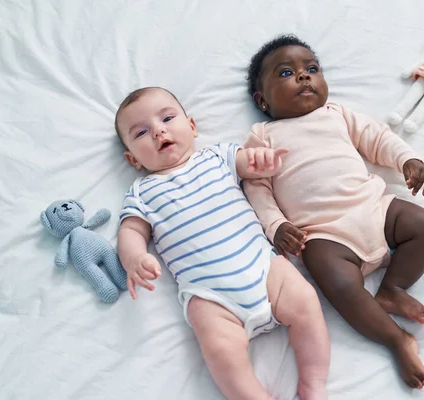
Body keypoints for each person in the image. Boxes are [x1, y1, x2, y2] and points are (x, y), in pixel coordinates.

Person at [243, 35, 424, 389]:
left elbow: (377, 138)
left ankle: (393, 288)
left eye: (312, 69)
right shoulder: (262, 135)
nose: (304, 77)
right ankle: (397, 339)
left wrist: (408, 159)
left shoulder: (336, 114)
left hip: (374, 207)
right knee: (334, 281)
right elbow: (256, 188)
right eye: (286, 72)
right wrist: (276, 226)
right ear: (262, 100)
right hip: (324, 233)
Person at [115, 86, 330, 400]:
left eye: (167, 118)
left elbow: (249, 163)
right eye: (142, 132)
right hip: (211, 296)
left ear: (191, 126)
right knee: (219, 350)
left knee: (307, 302)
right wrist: (134, 258)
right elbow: (131, 232)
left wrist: (261, 159)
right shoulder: (141, 193)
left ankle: (313, 384)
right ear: (132, 158)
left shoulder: (217, 156)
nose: (158, 130)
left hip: (263, 267)